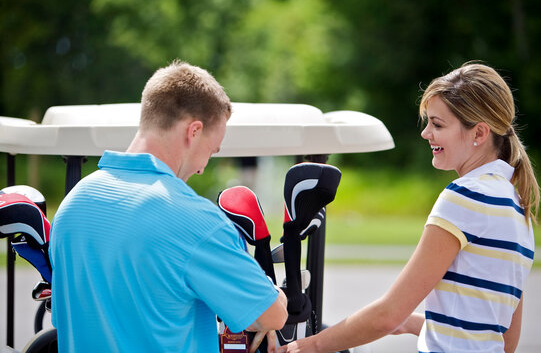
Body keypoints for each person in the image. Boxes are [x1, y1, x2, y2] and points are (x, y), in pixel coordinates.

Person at [279, 62, 539, 353]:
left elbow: (388, 315)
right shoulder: (518, 207)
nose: (426, 133)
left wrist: (308, 347)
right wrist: (416, 324)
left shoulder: (466, 197)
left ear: (479, 134)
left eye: (438, 125)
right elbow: (503, 339)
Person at [50, 60, 287, 352]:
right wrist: (273, 292)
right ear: (194, 131)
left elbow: (66, 319)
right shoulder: (197, 221)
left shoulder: (72, 205)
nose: (202, 168)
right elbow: (273, 314)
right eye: (212, 151)